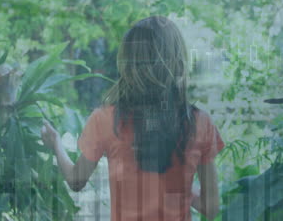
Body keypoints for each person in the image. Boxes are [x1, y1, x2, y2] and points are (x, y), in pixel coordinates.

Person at [41, 16, 225, 221]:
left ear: (128, 65)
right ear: (177, 61)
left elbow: (76, 180)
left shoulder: (105, 120)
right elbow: (211, 206)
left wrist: (56, 143)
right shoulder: (200, 123)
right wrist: (179, 191)